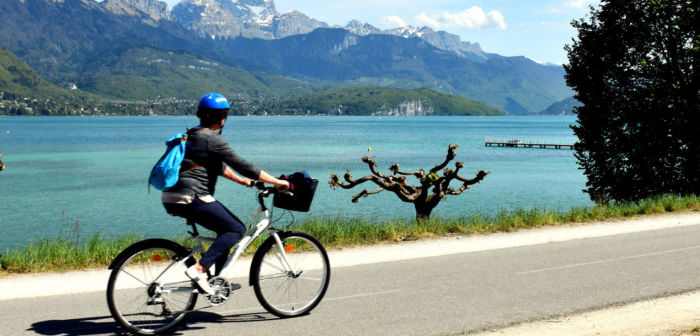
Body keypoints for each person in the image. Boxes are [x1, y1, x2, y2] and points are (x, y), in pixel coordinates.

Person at [161, 93, 289, 295]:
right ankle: (200, 269)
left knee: (224, 231)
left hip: (172, 196)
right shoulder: (212, 139)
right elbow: (244, 165)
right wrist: (277, 181)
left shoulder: (193, 134)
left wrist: (241, 181)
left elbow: (217, 166)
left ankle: (217, 282)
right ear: (222, 118)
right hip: (192, 196)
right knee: (236, 229)